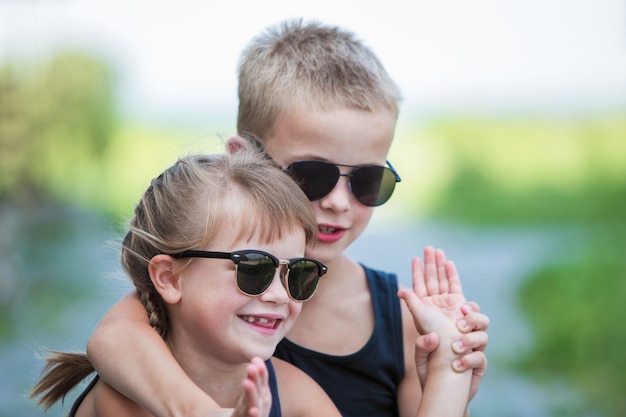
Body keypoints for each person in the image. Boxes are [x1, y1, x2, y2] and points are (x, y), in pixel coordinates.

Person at [85, 19, 489, 417]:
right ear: (244, 157)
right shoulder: (191, 299)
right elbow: (111, 340)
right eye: (312, 175)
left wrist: (449, 374)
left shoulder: (400, 322)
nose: (338, 202)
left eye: (368, 180)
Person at [31, 149, 474, 417]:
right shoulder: (125, 398)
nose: (279, 294)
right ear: (169, 277)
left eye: (298, 273)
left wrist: (449, 372)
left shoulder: (297, 394)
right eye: (254, 268)